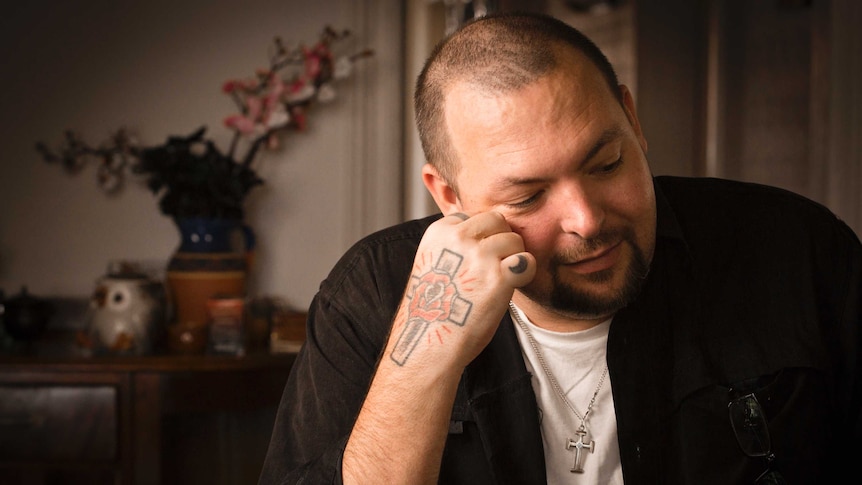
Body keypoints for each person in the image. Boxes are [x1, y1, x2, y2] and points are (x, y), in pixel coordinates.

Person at [258, 12, 862, 485]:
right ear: (448, 194)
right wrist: (423, 359)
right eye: (527, 197)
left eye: (606, 164)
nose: (586, 220)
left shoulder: (797, 249)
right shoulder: (370, 291)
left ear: (632, 118)